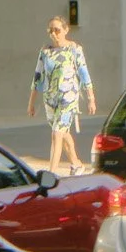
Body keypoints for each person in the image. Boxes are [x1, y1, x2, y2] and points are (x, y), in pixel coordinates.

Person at [27, 14, 93, 174]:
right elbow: (37, 77)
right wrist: (31, 103)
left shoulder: (74, 50)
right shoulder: (45, 52)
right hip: (50, 99)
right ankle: (76, 164)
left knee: (56, 134)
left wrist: (91, 98)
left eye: (57, 30)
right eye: (51, 31)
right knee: (63, 134)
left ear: (65, 30)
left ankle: (51, 173)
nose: (54, 34)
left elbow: (84, 74)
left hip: (68, 98)